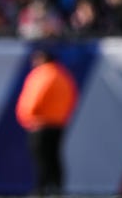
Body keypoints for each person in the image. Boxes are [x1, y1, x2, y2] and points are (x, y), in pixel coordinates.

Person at [15, 49, 78, 196]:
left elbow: (34, 99)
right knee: (54, 157)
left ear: (43, 58)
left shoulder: (43, 74)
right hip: (58, 123)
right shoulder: (62, 75)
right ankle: (57, 188)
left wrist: (27, 116)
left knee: (41, 159)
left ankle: (41, 190)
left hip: (40, 123)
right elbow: (72, 97)